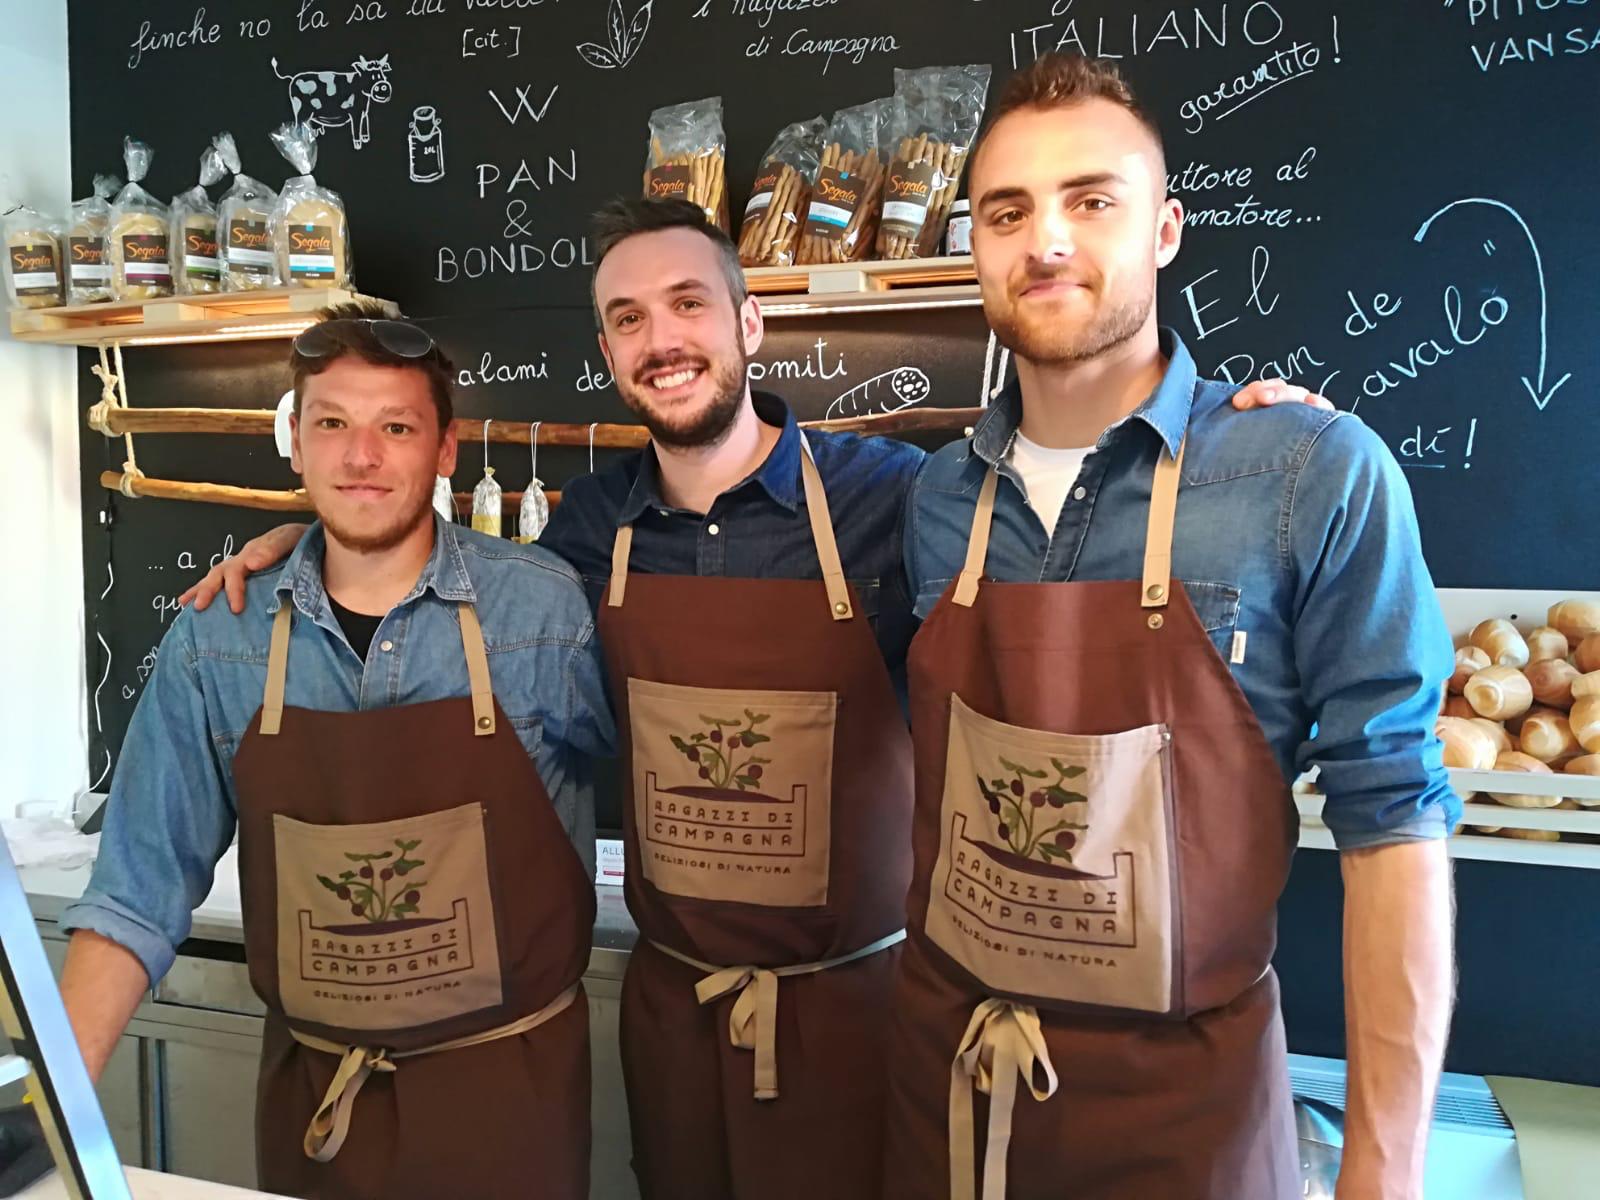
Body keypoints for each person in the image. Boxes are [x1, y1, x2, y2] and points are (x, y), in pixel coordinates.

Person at [177, 203, 1328, 1200]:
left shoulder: (900, 501)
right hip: (675, 1016)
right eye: (628, 319)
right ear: (609, 351)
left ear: (749, 324)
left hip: (861, 1011)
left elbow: (1063, 513)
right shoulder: (585, 539)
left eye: (686, 304)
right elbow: (424, 565)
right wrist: (305, 539)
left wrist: (1227, 428)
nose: (660, 338)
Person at [883, 53, 1457, 1200]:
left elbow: (1392, 823)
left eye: (1091, 201)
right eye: (1007, 211)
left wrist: (1383, 1175)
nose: (1045, 239)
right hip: (950, 1097)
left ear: (1165, 230)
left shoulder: (1304, 471)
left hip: (1184, 1119)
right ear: (975, 246)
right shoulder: (934, 499)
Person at [59, 303, 614, 1200]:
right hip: (318, 1112)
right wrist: (55, 1108)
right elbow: (135, 891)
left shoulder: (543, 614)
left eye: (395, 427)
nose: (361, 458)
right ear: (297, 442)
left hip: (511, 1104)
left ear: (444, 450)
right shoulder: (218, 640)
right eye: (332, 425)